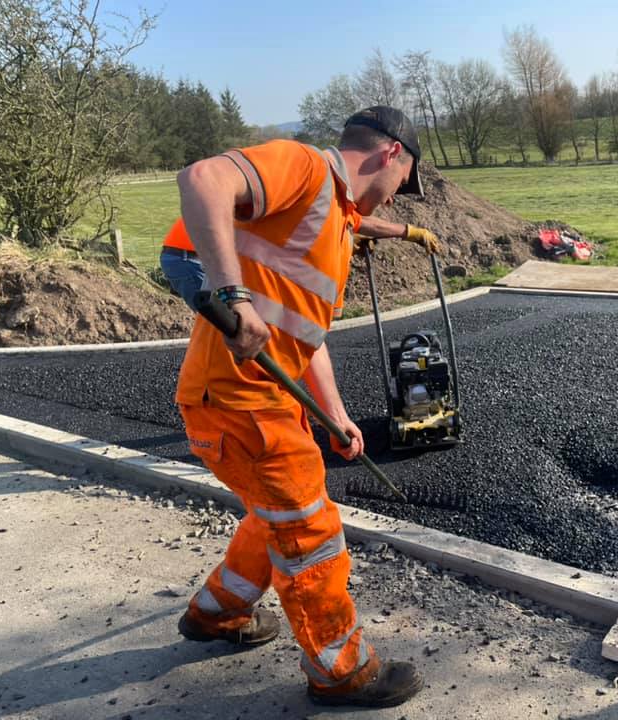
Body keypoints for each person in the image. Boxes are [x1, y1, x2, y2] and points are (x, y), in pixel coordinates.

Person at [173, 106, 437, 708]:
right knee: (311, 533)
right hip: (239, 403)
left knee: (278, 516)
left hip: (261, 402)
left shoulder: (336, 224)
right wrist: (229, 293)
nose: (397, 199)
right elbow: (202, 178)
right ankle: (342, 671)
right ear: (390, 154)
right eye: (404, 182)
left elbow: (305, 335)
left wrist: (334, 415)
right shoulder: (305, 167)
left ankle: (218, 613)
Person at [159, 212, 437, 313]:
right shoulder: (298, 200)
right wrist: (408, 231)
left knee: (241, 321)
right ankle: (225, 400)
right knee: (230, 324)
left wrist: (346, 245)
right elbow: (362, 222)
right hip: (188, 258)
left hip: (202, 256)